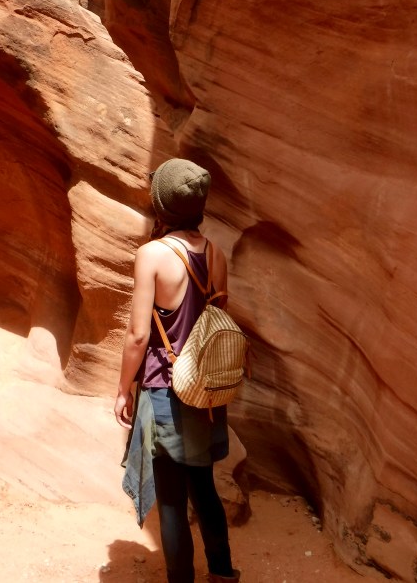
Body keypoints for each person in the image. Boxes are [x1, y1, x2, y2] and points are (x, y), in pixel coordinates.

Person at [115, 158, 241, 583]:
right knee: (203, 487)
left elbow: (138, 335)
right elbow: (213, 322)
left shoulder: (152, 255)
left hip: (165, 391)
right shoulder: (216, 253)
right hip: (204, 391)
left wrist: (122, 389)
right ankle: (222, 573)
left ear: (162, 205)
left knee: (170, 501)